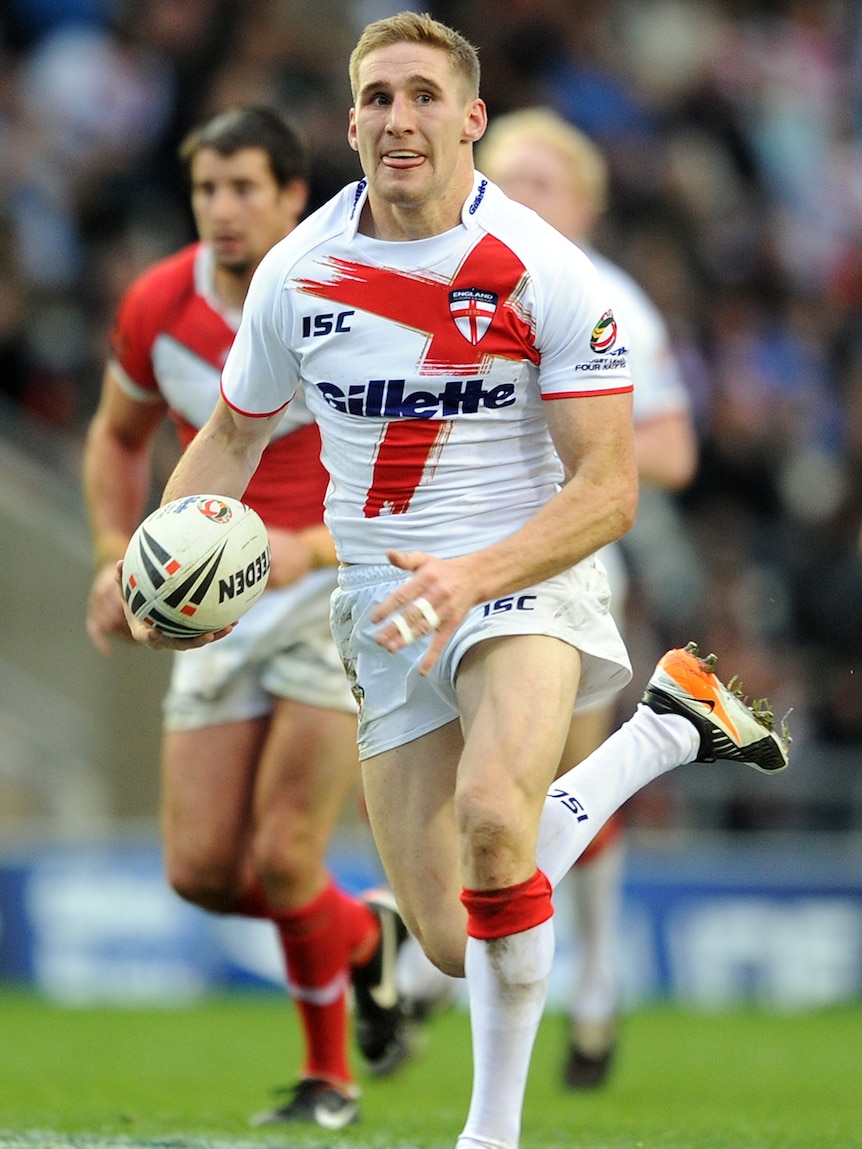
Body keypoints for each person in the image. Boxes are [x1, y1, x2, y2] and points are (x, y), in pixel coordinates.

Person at [117, 16, 790, 1149]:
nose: (399, 119)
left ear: (469, 118)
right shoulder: (298, 272)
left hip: (523, 580)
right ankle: (665, 731)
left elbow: (612, 489)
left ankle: (492, 1132)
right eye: (376, 98)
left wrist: (476, 574)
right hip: (381, 611)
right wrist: (167, 565)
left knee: (493, 821)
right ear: (350, 122)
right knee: (444, 936)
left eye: (424, 96)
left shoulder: (543, 271)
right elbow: (229, 442)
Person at [83, 104, 414, 1131]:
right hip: (213, 605)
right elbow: (114, 435)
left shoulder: (349, 295)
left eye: (243, 190)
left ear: (289, 197)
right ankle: (367, 941)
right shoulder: (156, 305)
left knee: (280, 854)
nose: (222, 212)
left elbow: (409, 451)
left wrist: (312, 549)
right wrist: (116, 556)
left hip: (332, 593)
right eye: (204, 192)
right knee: (201, 872)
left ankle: (331, 1081)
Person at [476, 106, 699, 1089]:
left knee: (549, 771)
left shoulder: (609, 299)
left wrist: (579, 440)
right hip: (450, 557)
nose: (522, 197)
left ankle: (590, 981)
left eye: (543, 182)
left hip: (564, 563)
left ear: (586, 205)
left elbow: (673, 448)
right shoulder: (455, 285)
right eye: (507, 178)